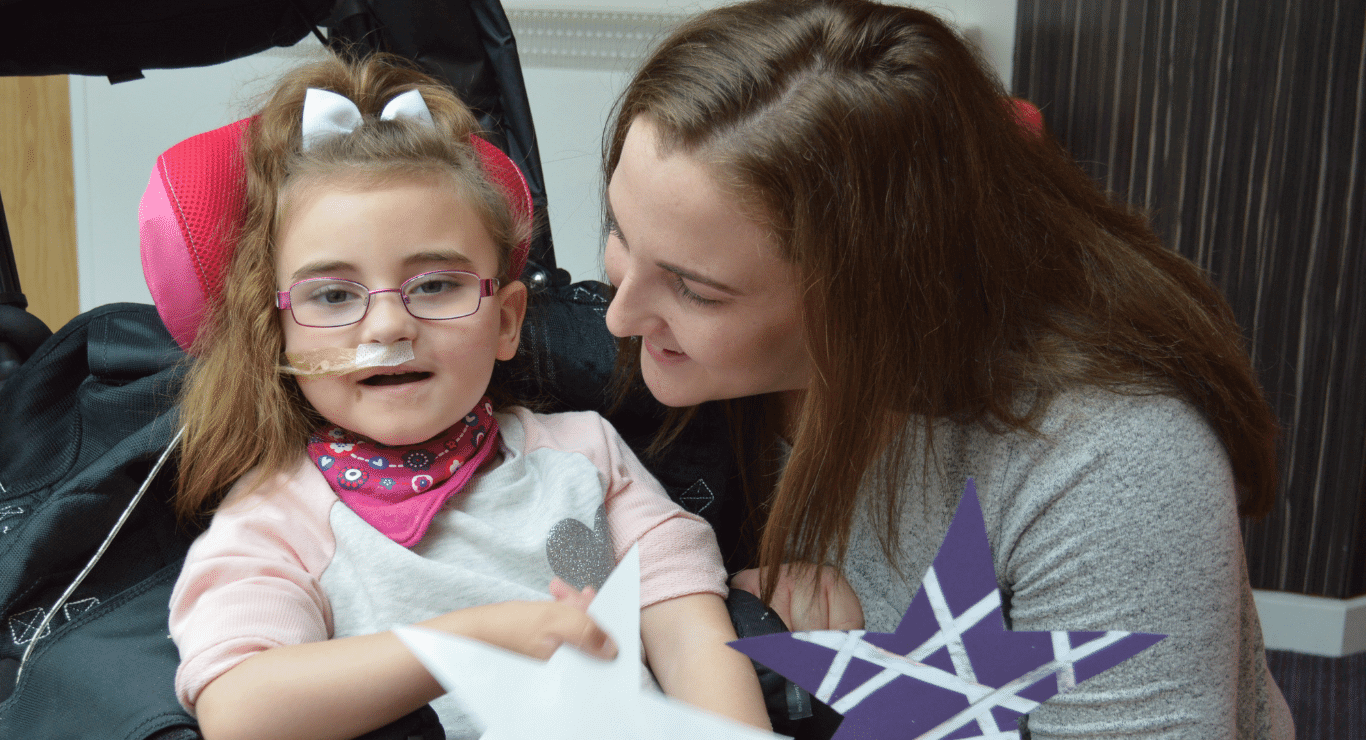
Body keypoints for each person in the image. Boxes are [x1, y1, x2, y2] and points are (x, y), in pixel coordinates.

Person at [597, 0, 1295, 737]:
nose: (619, 315)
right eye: (619, 230)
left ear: (871, 299)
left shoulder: (1112, 461)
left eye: (695, 290)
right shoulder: (655, 355)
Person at [161, 53, 771, 740]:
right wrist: (474, 639)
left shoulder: (585, 456)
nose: (388, 326)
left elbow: (690, 634)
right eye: (333, 296)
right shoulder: (278, 519)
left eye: (434, 287)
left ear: (506, 320)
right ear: (282, 341)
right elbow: (239, 710)